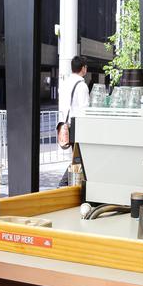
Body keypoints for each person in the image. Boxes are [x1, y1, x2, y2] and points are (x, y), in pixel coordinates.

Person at [58, 56, 89, 187]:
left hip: (65, 124)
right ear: (83, 68)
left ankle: (71, 185)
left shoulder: (65, 82)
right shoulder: (81, 85)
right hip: (78, 126)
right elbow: (84, 109)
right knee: (80, 158)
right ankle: (64, 184)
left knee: (77, 158)